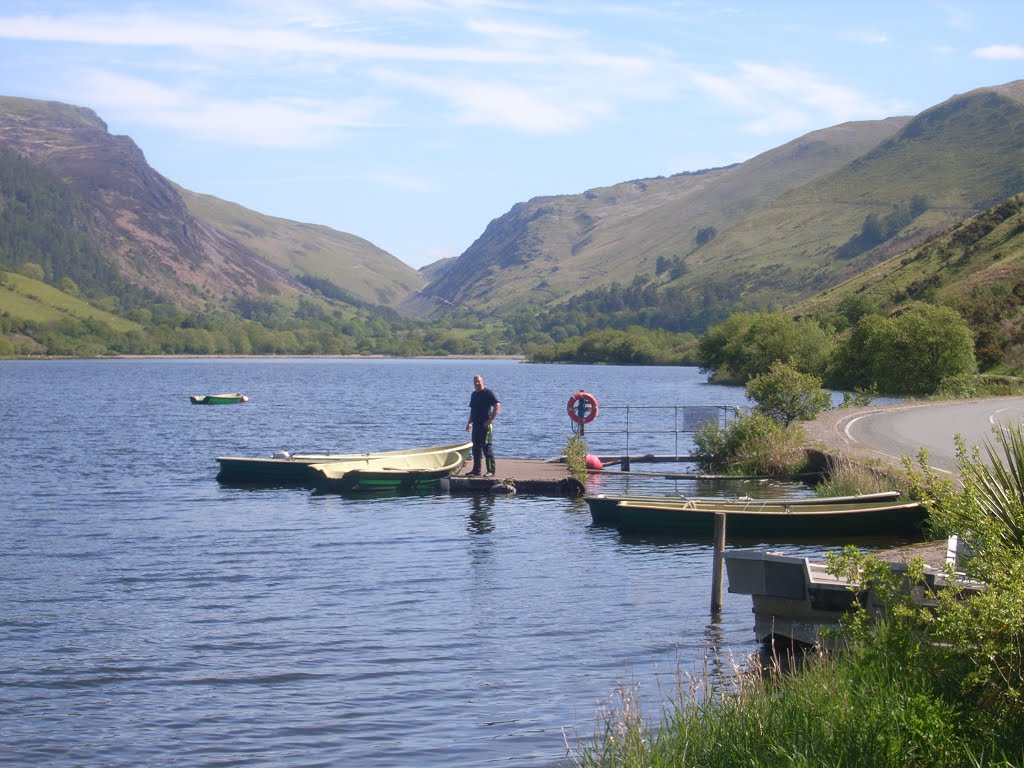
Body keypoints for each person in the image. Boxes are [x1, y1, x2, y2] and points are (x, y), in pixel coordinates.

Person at [465, 374, 500, 477]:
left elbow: (497, 405)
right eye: (475, 382)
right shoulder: (474, 395)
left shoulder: (488, 393)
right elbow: (473, 410)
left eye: (478, 382)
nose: (476, 384)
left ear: (482, 382)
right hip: (476, 425)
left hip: (486, 425)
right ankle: (476, 471)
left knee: (486, 448)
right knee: (476, 449)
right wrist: (469, 423)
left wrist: (490, 420)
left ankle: (491, 471)